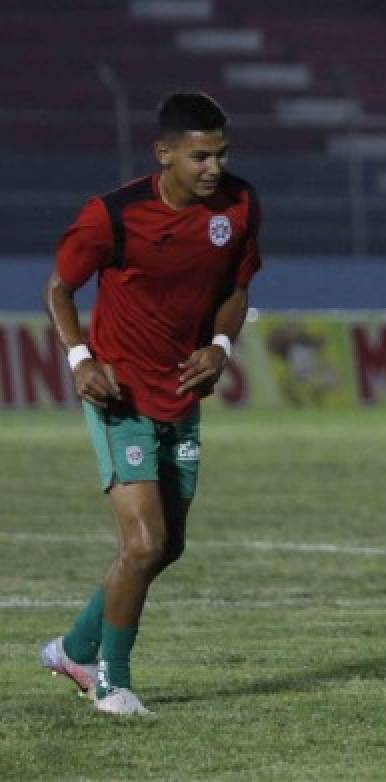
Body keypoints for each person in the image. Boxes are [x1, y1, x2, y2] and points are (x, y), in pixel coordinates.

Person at [39, 91, 262, 715]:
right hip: (120, 392)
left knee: (167, 547)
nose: (213, 167)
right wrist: (81, 359)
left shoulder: (240, 206)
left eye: (221, 153)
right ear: (164, 153)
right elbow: (59, 288)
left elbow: (236, 289)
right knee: (142, 543)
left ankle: (75, 648)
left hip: (182, 392)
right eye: (199, 156)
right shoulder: (113, 216)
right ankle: (110, 678)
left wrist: (220, 345)